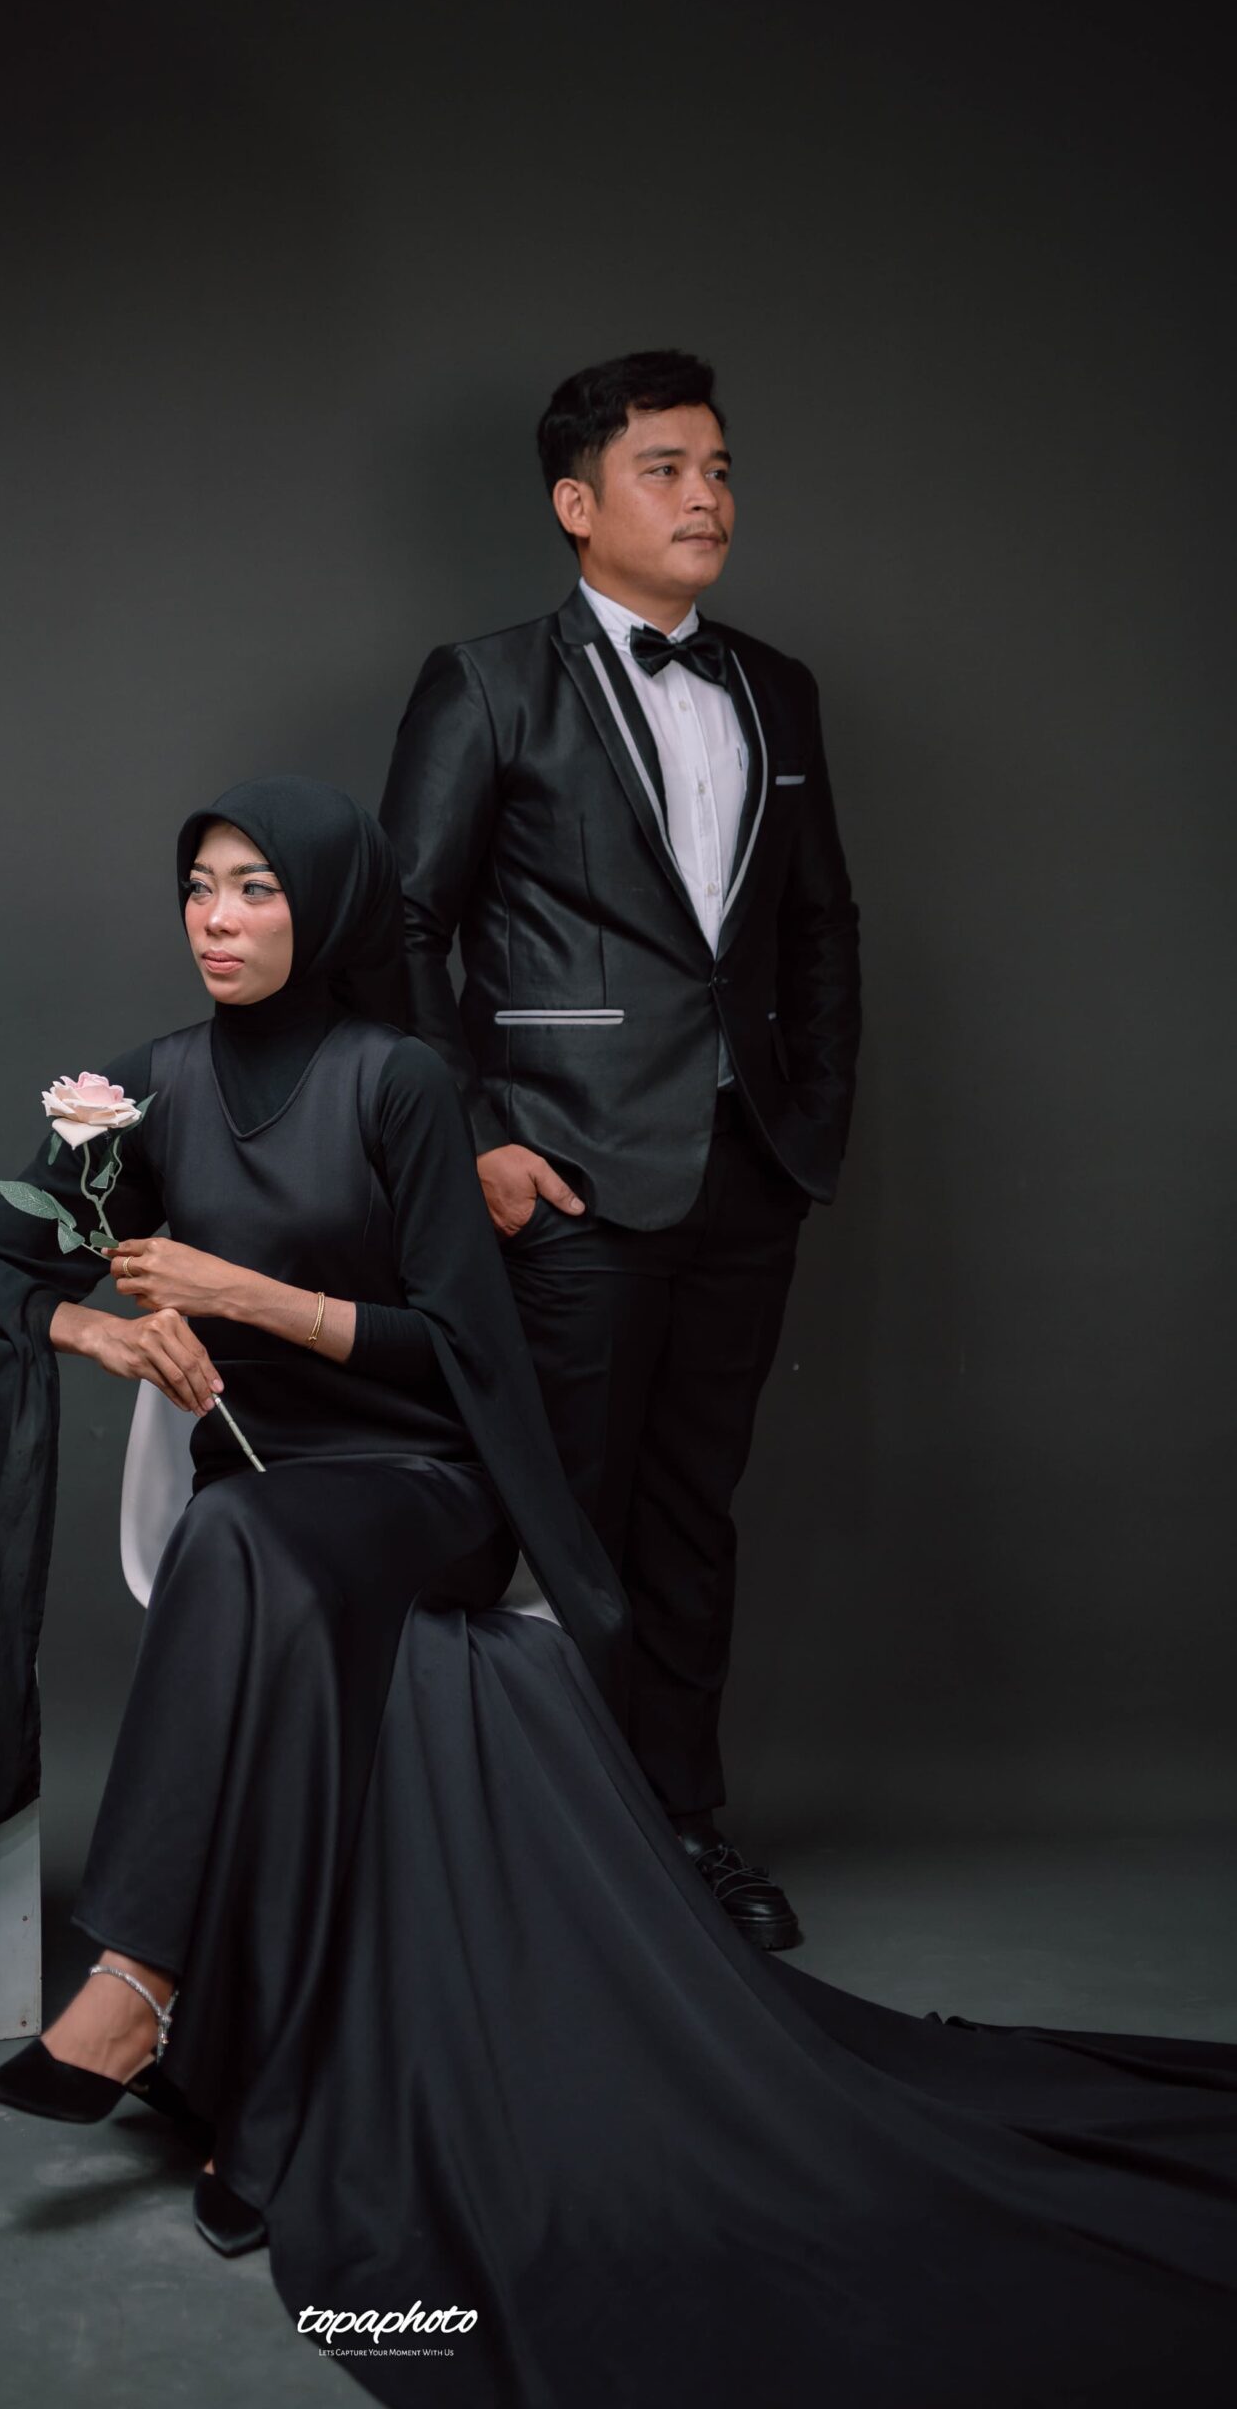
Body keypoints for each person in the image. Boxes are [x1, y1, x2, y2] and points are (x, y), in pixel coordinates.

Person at [0, 778, 1236, 2408]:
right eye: (199, 888)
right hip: (273, 1505)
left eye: (255, 888)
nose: (216, 919)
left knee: (244, 1544)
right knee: (243, 1541)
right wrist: (97, 1328)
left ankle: (140, 1982)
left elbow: (466, 1356)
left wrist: (248, 1296)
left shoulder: (400, 1080)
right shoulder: (143, 1090)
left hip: (424, 1487)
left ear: (328, 905)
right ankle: (262, 2094)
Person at [380, 348, 861, 1950]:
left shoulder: (776, 687)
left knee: (692, 1513)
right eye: (667, 469)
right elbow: (399, 929)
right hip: (567, 1174)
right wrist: (480, 1143)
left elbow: (820, 927)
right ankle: (537, 1843)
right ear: (577, 506)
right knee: (556, 1517)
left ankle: (679, 1832)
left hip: (746, 1171)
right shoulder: (487, 683)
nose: (706, 496)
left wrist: (806, 1122)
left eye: (719, 469)